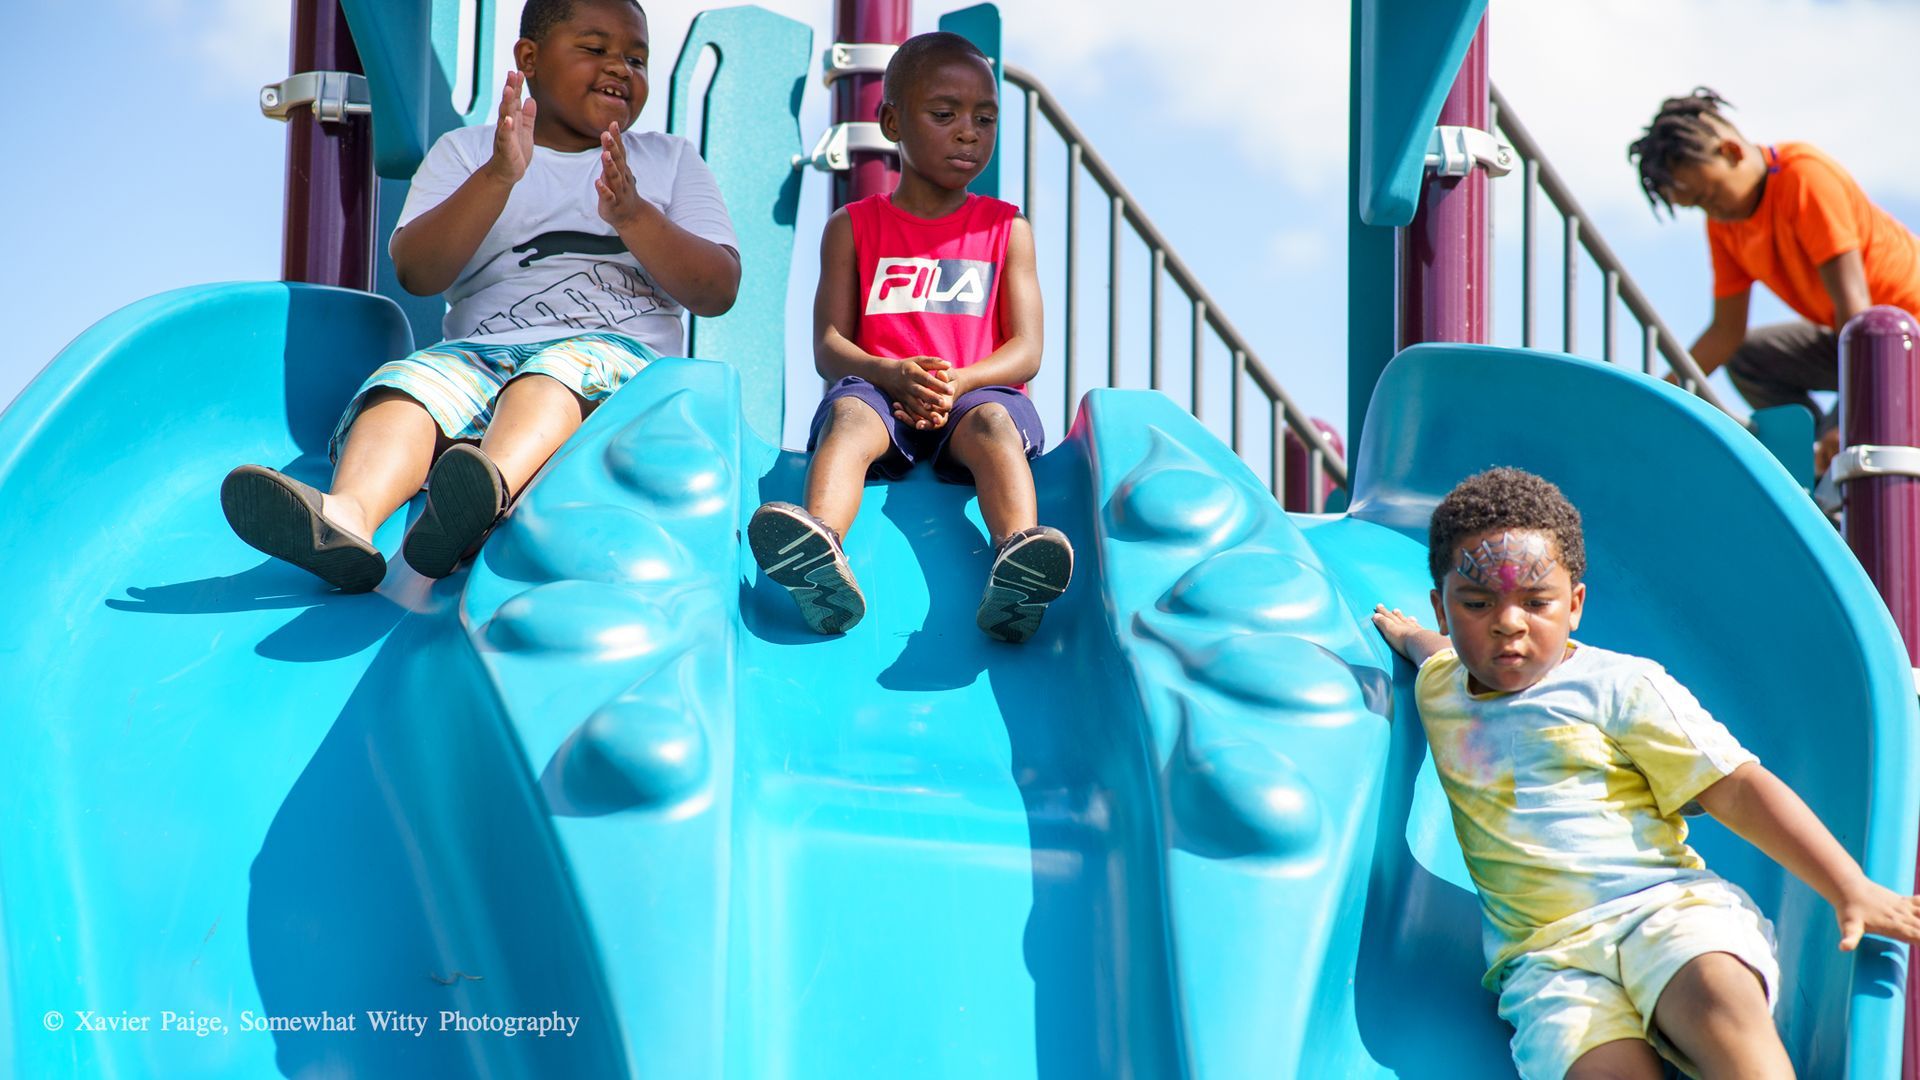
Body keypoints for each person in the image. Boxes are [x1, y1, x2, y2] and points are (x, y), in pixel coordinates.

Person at [1370, 467, 1920, 1079]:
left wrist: (1849, 886)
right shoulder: (1440, 683)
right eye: (1476, 604)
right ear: (1443, 610)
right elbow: (1431, 650)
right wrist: (1406, 633)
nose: (1509, 623)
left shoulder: (1620, 687)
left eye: (1536, 602)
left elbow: (1735, 786)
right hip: (1548, 959)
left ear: (1575, 605)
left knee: (1718, 989)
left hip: (1663, 910)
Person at [223, 0, 739, 592]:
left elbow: (717, 288)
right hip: (480, 355)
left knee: (555, 373)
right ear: (530, 58)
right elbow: (418, 271)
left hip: (616, 365)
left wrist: (634, 215)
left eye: (637, 57)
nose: (621, 68)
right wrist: (498, 176)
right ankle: (347, 516)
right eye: (595, 49)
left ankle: (480, 492)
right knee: (408, 387)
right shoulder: (469, 153)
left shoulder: (668, 162)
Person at [747, 32, 1070, 644]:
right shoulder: (852, 227)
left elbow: (1026, 349)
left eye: (985, 117)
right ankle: (819, 552)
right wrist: (892, 374)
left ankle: (1018, 562)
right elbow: (829, 344)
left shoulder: (1007, 228)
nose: (969, 132)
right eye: (944, 115)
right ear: (891, 120)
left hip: (977, 395)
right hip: (881, 393)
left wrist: (959, 380)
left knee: (995, 427)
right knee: (847, 416)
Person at [1629, 88, 1920, 473]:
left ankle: (1835, 451)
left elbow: (1856, 310)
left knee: (1851, 446)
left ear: (1731, 152)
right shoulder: (1725, 226)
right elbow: (1725, 333)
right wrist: (1661, 393)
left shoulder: (1804, 178)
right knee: (1748, 357)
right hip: (1848, 337)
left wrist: (1853, 422)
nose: (1710, 209)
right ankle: (1814, 450)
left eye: (1710, 194)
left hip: (1896, 335)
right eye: (1697, 205)